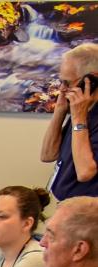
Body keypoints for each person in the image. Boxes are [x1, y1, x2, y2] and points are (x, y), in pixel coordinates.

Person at [41, 43, 98, 201]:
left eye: (67, 82)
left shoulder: (81, 114)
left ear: (91, 80)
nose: (62, 89)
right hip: (65, 205)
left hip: (88, 212)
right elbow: (47, 155)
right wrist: (59, 111)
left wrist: (79, 118)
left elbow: (85, 172)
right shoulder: (82, 109)